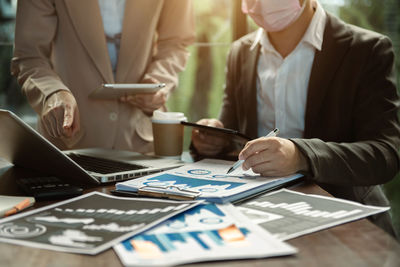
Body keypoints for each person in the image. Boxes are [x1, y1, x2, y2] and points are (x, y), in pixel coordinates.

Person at [192, 0, 400, 236]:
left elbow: (384, 156)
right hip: (259, 216)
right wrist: (213, 139)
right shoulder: (240, 52)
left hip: (345, 223)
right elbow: (231, 133)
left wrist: (301, 155)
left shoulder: (366, 49)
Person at [11, 0, 195, 153]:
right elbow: (29, 56)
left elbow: (176, 43)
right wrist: (52, 93)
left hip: (142, 147)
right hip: (66, 146)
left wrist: (159, 81)